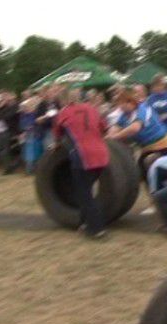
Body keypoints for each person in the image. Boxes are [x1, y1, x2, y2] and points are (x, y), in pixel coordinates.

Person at [53, 88, 110, 239]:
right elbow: (104, 127)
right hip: (101, 154)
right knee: (85, 190)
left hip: (83, 156)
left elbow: (57, 133)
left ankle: (97, 229)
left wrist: (58, 144)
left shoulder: (64, 112)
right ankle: (84, 224)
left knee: (84, 194)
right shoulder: (92, 109)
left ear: (64, 100)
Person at [106, 88, 167, 184]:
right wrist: (108, 136)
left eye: (121, 103)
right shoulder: (124, 115)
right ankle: (155, 192)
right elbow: (115, 127)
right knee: (142, 172)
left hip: (161, 144)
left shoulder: (142, 108)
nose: (120, 107)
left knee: (151, 169)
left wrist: (115, 137)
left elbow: (135, 128)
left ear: (129, 102)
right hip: (147, 148)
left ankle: (164, 188)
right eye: (118, 104)